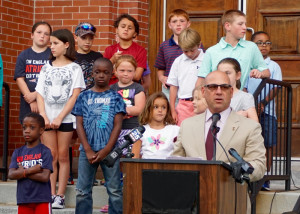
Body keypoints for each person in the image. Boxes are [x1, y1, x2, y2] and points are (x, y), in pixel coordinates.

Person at [172, 70, 266, 183]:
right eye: (213, 87)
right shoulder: (187, 125)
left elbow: (259, 165)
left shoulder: (250, 127)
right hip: (193, 196)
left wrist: (242, 169)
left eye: (224, 87)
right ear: (203, 91)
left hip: (232, 195)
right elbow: (175, 163)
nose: (219, 92)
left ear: (231, 92)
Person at [36, 29, 86, 209]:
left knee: (63, 155)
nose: (52, 46)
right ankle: (49, 194)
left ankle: (60, 195)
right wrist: (43, 115)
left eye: (56, 43)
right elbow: (40, 93)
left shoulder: (75, 68)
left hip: (65, 118)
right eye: (51, 43)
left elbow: (74, 96)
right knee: (51, 155)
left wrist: (59, 117)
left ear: (66, 45)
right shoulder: (46, 67)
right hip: (47, 118)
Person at [72, 57, 126, 214]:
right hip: (86, 152)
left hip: (110, 152)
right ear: (92, 74)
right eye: (97, 72)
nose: (101, 75)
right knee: (82, 191)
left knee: (115, 190)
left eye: (105, 72)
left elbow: (118, 125)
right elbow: (79, 125)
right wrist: (88, 149)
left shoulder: (116, 97)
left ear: (112, 74)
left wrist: (107, 149)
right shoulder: (83, 96)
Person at [195, 9, 270, 89]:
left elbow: (267, 72)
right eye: (240, 24)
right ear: (228, 26)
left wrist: (260, 73)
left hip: (238, 97)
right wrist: (198, 98)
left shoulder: (251, 47)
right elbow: (201, 79)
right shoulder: (211, 51)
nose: (244, 27)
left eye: (245, 24)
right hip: (216, 98)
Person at [68, 22, 104, 186]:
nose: (87, 41)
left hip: (92, 105)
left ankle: (91, 175)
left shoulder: (98, 57)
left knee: (90, 139)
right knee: (70, 139)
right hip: (73, 103)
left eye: (90, 38)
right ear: (76, 37)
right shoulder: (70, 57)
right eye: (84, 38)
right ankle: (68, 173)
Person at [246, 31, 282, 190]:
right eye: (259, 43)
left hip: (267, 111)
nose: (263, 46)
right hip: (248, 110)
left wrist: (263, 102)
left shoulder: (273, 66)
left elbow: (276, 87)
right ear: (252, 46)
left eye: (267, 43)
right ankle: (250, 175)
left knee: (267, 144)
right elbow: (244, 86)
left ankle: (265, 177)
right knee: (250, 143)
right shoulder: (248, 64)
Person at [8, 113, 53, 214]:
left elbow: (45, 177)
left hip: (42, 200)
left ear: (41, 130)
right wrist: (30, 170)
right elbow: (11, 175)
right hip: (24, 199)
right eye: (24, 128)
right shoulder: (17, 152)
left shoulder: (45, 151)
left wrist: (22, 173)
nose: (27, 131)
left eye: (32, 127)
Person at [14, 22, 52, 123]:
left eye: (46, 34)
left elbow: (54, 80)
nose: (42, 36)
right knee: (30, 136)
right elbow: (19, 79)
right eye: (39, 32)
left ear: (49, 38)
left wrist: (36, 95)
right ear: (32, 35)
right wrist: (30, 99)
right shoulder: (24, 55)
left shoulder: (53, 55)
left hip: (48, 106)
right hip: (28, 106)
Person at [167, 28, 205, 125]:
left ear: (199, 44)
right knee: (184, 133)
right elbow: (173, 86)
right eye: (185, 51)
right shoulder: (178, 61)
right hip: (183, 105)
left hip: (203, 103)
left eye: (192, 50)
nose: (189, 54)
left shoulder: (206, 59)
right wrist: (172, 110)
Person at [111, 55, 146, 151]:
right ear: (115, 71)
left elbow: (139, 109)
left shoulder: (138, 88)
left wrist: (120, 111)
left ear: (134, 72)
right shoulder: (111, 89)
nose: (125, 74)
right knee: (116, 157)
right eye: (122, 70)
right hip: (114, 129)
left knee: (131, 157)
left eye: (129, 71)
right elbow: (108, 109)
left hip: (133, 128)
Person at [154, 9, 191, 99]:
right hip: (169, 88)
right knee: (170, 112)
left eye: (182, 21)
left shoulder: (195, 44)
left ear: (188, 24)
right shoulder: (164, 46)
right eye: (174, 21)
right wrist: (162, 78)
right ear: (169, 25)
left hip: (189, 87)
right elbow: (161, 68)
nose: (178, 24)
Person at [132, 92, 180, 159]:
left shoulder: (175, 130)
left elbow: (181, 154)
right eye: (156, 107)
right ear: (148, 109)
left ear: (167, 110)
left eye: (164, 107)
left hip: (169, 168)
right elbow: (135, 158)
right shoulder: (140, 131)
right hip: (147, 168)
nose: (160, 110)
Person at [104, 13, 147, 85]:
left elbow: (137, 76)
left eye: (130, 28)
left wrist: (114, 72)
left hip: (132, 90)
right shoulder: (109, 49)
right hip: (112, 90)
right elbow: (103, 73)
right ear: (117, 30)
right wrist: (112, 60)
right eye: (123, 26)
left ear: (135, 34)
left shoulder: (140, 50)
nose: (126, 29)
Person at [217, 57, 259, 122]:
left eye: (227, 73)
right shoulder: (213, 95)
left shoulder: (245, 97)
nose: (224, 76)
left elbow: (255, 124)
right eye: (221, 73)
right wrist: (235, 116)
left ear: (238, 75)